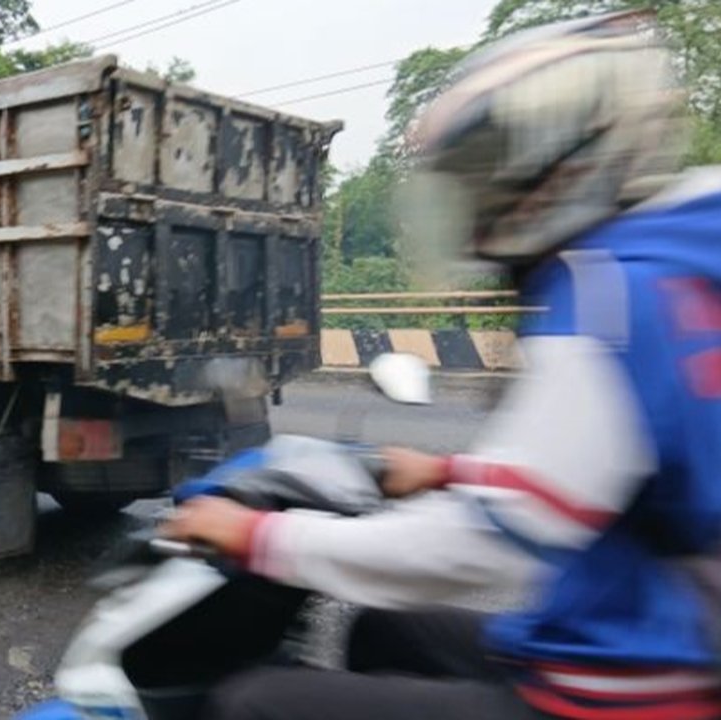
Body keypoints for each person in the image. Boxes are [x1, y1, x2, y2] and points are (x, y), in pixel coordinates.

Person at [164, 10, 721, 720]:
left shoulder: (609, 292)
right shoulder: (682, 257)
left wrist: (264, 538)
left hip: (630, 691)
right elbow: (613, 462)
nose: (483, 201)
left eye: (495, 169)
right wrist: (450, 470)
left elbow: (490, 542)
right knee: (383, 625)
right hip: (664, 634)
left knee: (252, 703)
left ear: (570, 154)